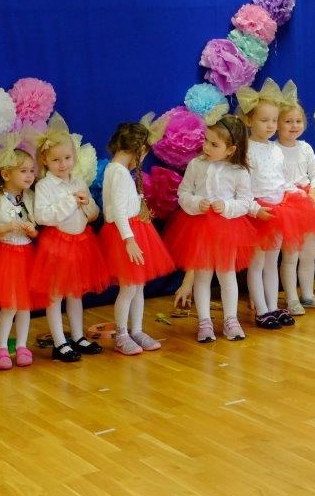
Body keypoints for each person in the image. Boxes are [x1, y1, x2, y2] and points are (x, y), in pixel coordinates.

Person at [167, 113, 255, 342]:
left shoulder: (239, 172)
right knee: (202, 275)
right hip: (199, 226)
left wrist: (226, 206)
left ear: (230, 150)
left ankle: (230, 320)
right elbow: (183, 193)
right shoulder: (196, 165)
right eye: (206, 140)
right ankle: (204, 321)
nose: (206, 146)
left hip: (228, 229)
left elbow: (245, 202)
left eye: (214, 144)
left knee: (227, 274)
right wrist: (196, 203)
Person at [30, 116, 111, 361]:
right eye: (56, 160)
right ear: (45, 160)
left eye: (67, 158)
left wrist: (87, 205)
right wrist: (69, 202)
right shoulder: (44, 186)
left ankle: (77, 336)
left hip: (81, 243)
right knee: (55, 294)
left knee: (76, 293)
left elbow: (93, 214)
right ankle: (59, 342)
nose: (63, 164)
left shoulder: (78, 181)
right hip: (57, 245)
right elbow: (43, 216)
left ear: (74, 157)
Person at [239, 79, 315, 330]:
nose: (271, 125)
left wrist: (297, 194)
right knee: (257, 264)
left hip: (277, 211)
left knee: (272, 262)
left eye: (274, 120)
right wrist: (254, 209)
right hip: (257, 213)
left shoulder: (275, 150)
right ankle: (262, 310)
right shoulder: (245, 150)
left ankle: (273, 306)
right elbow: (241, 188)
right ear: (249, 120)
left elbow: (280, 181)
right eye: (265, 120)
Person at [99, 120, 176, 355]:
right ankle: (122, 334)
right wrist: (129, 240)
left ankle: (137, 330)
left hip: (134, 230)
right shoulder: (118, 172)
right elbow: (118, 210)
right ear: (139, 150)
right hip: (125, 234)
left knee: (138, 285)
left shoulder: (117, 169)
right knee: (129, 288)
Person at [0, 135, 39, 369]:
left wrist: (32, 231)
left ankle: (22, 346)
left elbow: (35, 231)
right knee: (10, 305)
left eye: (32, 171)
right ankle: (2, 348)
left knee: (24, 305)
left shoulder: (30, 197)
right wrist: (7, 228)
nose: (29, 175)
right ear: (6, 174)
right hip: (4, 256)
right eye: (23, 171)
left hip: (26, 255)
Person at [275, 82, 315, 316]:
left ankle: (307, 295)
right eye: (288, 121)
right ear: (277, 124)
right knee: (291, 256)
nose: (294, 125)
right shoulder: (273, 150)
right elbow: (274, 179)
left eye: (298, 121)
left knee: (308, 254)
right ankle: (291, 299)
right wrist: (296, 192)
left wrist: (314, 191)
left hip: (308, 204)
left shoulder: (305, 148)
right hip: (287, 205)